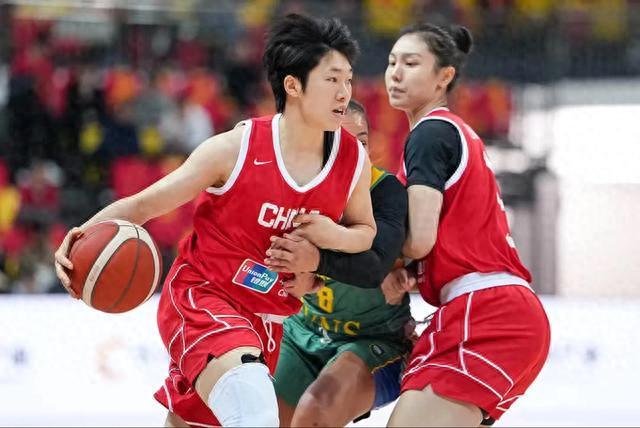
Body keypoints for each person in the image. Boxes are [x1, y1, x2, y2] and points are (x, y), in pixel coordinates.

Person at [53, 14, 376, 427]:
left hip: (269, 318)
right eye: (332, 80)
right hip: (204, 297)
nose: (345, 92)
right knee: (255, 414)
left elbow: (365, 232)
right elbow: (143, 206)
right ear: (293, 86)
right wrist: (77, 238)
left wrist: (330, 239)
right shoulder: (234, 149)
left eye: (348, 80)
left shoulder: (352, 160)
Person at [382, 23, 551, 426]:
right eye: (391, 62)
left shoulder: (429, 134)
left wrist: (360, 247)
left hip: (485, 311)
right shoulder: (455, 133)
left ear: (444, 76)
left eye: (411, 63)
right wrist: (412, 271)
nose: (396, 73)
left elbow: (418, 240)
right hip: (499, 307)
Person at [266, 100, 413, 427]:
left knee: (316, 411)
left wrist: (315, 262)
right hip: (303, 331)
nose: (356, 155)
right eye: (342, 143)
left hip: (374, 338)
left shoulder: (386, 191)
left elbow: (375, 266)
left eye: (362, 143)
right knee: (256, 416)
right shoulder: (294, 186)